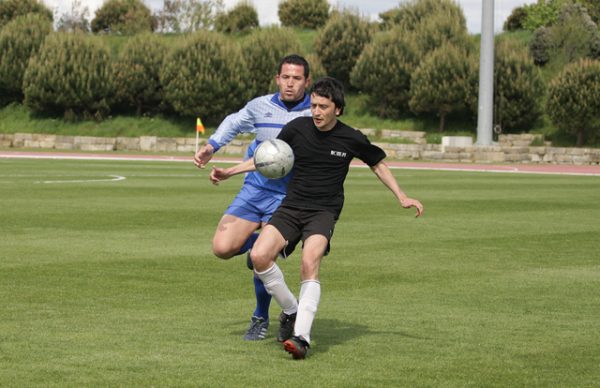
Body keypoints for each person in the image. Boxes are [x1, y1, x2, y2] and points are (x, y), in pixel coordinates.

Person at [209, 77, 424, 359]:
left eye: (323, 106)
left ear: (338, 109)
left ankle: (302, 338)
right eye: (313, 106)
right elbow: (266, 157)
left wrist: (402, 196)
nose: (317, 112)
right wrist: (230, 172)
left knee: (310, 261)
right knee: (260, 256)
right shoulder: (297, 128)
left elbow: (378, 165)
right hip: (291, 206)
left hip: (323, 212)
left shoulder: (351, 137)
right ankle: (291, 309)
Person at [194, 54, 312, 341]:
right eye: (285, 77)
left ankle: (260, 317)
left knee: (263, 258)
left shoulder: (315, 112)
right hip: (255, 189)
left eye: (297, 78)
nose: (290, 83)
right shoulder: (260, 106)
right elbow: (234, 122)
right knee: (222, 247)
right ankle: (254, 242)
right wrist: (211, 146)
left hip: (289, 196)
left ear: (307, 81)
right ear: (277, 79)